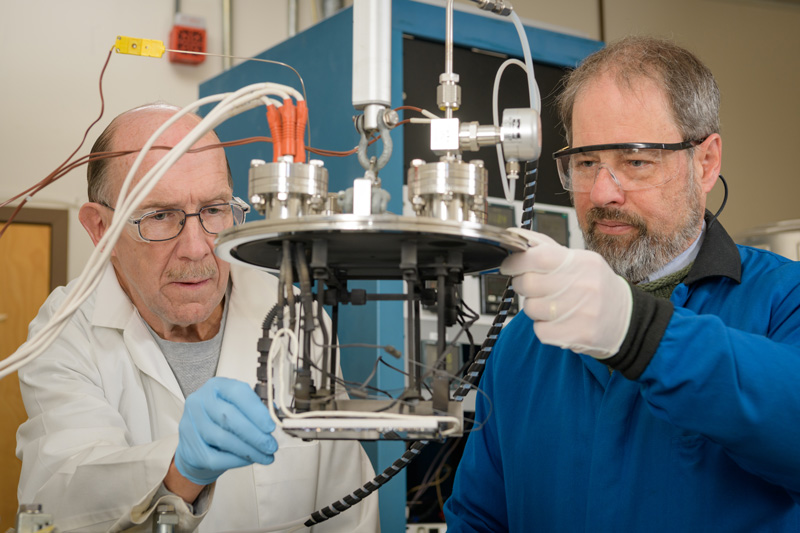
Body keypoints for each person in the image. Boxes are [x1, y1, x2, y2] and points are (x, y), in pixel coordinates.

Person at [444, 36, 800, 531]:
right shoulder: (526, 340)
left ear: (706, 162)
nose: (604, 192)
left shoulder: (784, 300)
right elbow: (478, 519)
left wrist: (640, 334)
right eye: (587, 163)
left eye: (636, 160)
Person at [14, 104, 379, 532]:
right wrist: (178, 471)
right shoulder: (65, 330)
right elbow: (61, 501)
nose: (197, 247)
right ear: (100, 229)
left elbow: (347, 507)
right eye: (159, 215)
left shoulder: (296, 317)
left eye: (214, 210)